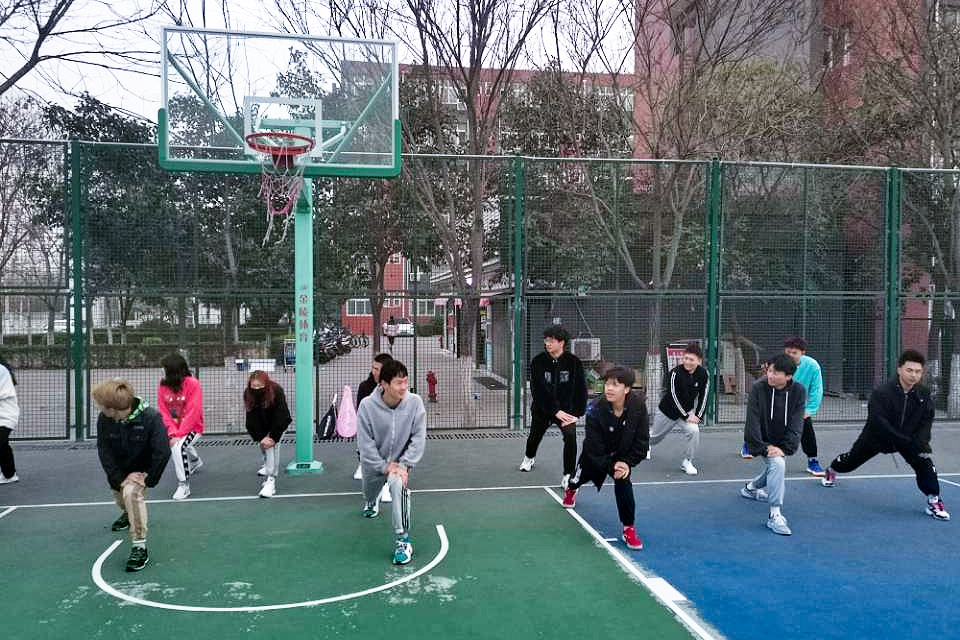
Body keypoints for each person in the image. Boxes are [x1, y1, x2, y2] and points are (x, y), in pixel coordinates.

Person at [821, 350, 950, 520]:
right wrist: (904, 440)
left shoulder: (923, 394)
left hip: (907, 439)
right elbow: (879, 422)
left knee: (925, 463)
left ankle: (934, 500)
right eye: (909, 370)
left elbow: (926, 420)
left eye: (918, 371)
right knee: (849, 463)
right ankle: (832, 469)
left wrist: (921, 442)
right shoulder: (882, 392)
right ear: (899, 369)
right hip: (876, 437)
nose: (913, 375)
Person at [562, 366, 649, 550]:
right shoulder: (594, 408)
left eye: (615, 385)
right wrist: (610, 466)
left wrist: (626, 463)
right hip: (596, 452)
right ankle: (571, 489)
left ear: (627, 389)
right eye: (607, 384)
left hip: (622, 454)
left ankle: (628, 528)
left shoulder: (638, 406)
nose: (609, 388)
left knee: (624, 482)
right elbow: (593, 446)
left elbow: (642, 442)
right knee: (578, 478)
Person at [94, 378, 171, 572]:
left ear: (113, 408)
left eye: (101, 405)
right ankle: (128, 512)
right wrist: (119, 478)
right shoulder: (104, 419)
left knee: (131, 494)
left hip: (141, 472)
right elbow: (104, 451)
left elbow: (162, 451)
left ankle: (139, 546)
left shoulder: (151, 417)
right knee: (122, 499)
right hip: (119, 472)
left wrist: (149, 477)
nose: (99, 408)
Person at [357, 359, 426, 565]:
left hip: (400, 464)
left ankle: (403, 540)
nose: (403, 387)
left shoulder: (415, 403)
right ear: (384, 384)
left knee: (398, 485)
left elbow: (418, 438)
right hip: (374, 464)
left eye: (405, 381)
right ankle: (372, 500)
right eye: (398, 383)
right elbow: (365, 444)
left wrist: (404, 465)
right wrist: (383, 466)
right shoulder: (367, 406)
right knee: (369, 493)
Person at [739, 354, 806, 536]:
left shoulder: (799, 391)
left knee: (775, 465)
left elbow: (797, 423)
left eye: (775, 373)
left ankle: (750, 489)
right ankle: (774, 514)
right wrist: (763, 447)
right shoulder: (758, 388)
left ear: (788, 376)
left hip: (782, 443)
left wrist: (785, 448)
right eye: (769, 370)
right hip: (763, 441)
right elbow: (752, 421)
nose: (770, 375)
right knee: (778, 464)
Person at [520, 325, 588, 491]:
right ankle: (529, 457)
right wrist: (554, 410)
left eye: (551, 341)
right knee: (534, 436)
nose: (547, 343)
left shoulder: (574, 362)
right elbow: (538, 391)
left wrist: (577, 414)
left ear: (561, 342)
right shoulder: (537, 362)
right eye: (546, 340)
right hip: (542, 409)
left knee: (570, 436)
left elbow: (581, 389)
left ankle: (568, 475)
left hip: (567, 412)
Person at [649, 342, 707, 475]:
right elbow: (673, 397)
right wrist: (687, 416)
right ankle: (646, 444)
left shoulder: (704, 374)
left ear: (699, 361)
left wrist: (698, 416)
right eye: (685, 358)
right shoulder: (674, 373)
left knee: (694, 431)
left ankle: (687, 461)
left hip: (687, 413)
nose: (687, 362)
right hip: (667, 412)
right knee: (654, 438)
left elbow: (704, 396)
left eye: (691, 359)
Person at [157, 353, 204, 500]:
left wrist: (179, 434)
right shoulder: (163, 386)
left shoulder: (193, 384)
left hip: (193, 428)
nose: (162, 371)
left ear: (173, 370)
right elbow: (164, 412)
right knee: (178, 443)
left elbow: (193, 411)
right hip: (174, 429)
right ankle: (195, 461)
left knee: (178, 447)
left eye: (164, 368)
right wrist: (172, 433)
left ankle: (184, 486)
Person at [244, 370, 292, 498]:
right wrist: (260, 437)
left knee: (272, 448)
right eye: (254, 386)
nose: (256, 389)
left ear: (266, 384)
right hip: (262, 427)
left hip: (278, 425)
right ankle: (266, 465)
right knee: (263, 446)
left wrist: (273, 437)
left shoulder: (277, 391)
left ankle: (271, 481)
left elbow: (281, 415)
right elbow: (251, 417)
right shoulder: (248, 393)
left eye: (260, 386)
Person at [353, 352, 394, 500]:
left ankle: (387, 485)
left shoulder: (396, 387)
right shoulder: (364, 387)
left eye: (378, 369)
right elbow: (361, 413)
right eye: (373, 368)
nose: (374, 372)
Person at [782, 337, 825, 476]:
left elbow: (817, 389)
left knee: (807, 430)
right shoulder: (778, 364)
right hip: (777, 402)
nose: (790, 355)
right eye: (788, 352)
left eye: (794, 353)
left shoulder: (813, 366)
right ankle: (749, 444)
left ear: (803, 353)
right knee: (760, 425)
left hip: (798, 405)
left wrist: (809, 410)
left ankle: (813, 461)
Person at [0, 358, 19, 484]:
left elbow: (3, 393)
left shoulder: (1, 370)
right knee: (3, 446)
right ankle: (9, 475)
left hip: (5, 416)